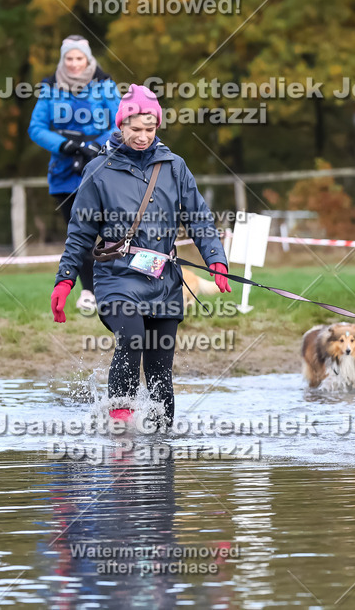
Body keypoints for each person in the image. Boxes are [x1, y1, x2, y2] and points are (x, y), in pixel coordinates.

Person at [50, 85, 232, 424]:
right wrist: (65, 280)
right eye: (136, 129)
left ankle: (163, 444)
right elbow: (80, 233)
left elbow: (199, 217)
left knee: (161, 367)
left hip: (164, 281)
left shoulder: (174, 166)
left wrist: (216, 260)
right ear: (121, 126)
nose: (143, 136)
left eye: (150, 129)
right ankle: (120, 432)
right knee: (132, 339)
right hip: (116, 277)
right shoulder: (98, 171)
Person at [29, 35, 122, 312]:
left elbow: (121, 120)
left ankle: (116, 288)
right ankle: (90, 292)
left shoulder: (104, 85)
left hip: (102, 167)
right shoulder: (49, 88)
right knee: (78, 234)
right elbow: (36, 127)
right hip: (65, 172)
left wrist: (96, 144)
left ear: (88, 59)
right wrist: (65, 145)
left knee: (111, 230)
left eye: (78, 58)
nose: (73, 64)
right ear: (63, 59)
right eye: (69, 58)